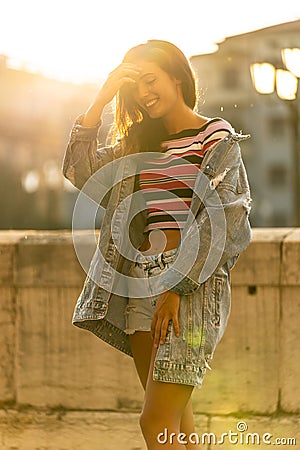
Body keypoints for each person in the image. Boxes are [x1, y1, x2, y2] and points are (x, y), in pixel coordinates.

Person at [62, 40, 252, 449]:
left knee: (155, 423)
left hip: (188, 288)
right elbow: (80, 172)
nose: (145, 94)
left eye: (152, 81)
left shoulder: (214, 137)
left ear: (178, 77)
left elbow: (227, 220)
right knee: (177, 428)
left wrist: (175, 287)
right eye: (136, 88)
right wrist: (100, 99)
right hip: (137, 283)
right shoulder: (139, 145)